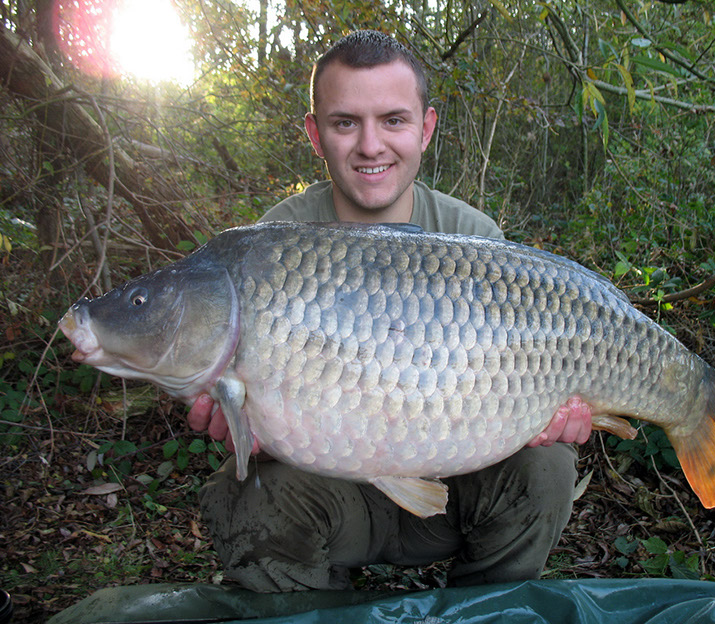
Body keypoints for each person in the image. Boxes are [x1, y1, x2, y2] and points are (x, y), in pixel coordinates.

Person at [189, 30, 592, 592]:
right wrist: (233, 415)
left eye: (394, 120)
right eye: (345, 122)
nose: (370, 145)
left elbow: (520, 379)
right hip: (329, 495)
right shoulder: (272, 247)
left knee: (548, 468)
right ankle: (308, 602)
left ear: (426, 128)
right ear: (315, 133)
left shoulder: (474, 238)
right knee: (245, 494)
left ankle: (488, 606)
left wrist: (549, 412)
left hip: (453, 486)